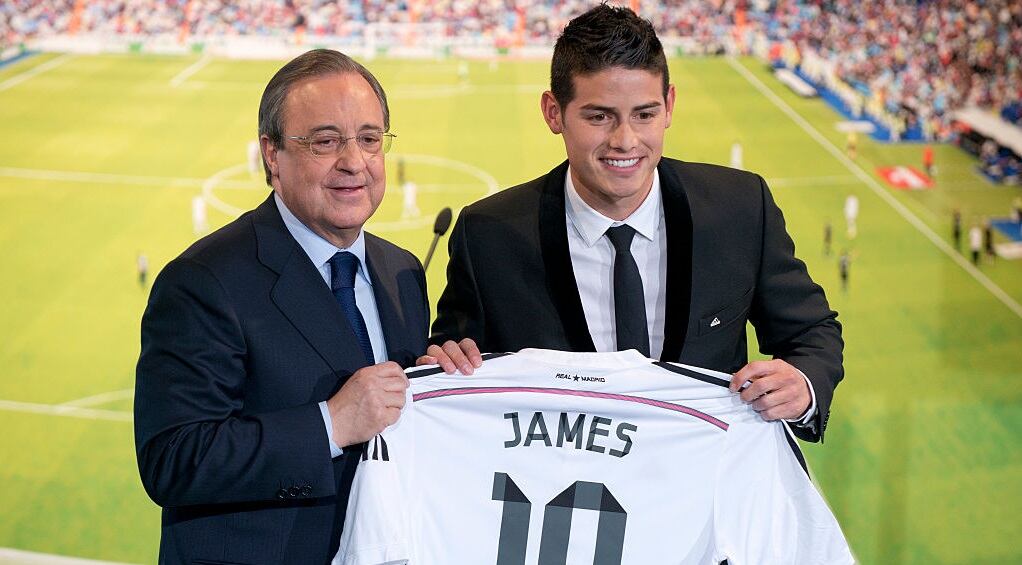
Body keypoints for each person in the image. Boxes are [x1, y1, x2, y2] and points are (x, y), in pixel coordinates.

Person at [426, 5, 842, 443]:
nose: (625, 140)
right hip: (565, 499)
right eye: (599, 116)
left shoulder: (740, 209)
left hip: (702, 497)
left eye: (644, 114)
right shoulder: (488, 236)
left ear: (669, 106)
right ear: (553, 113)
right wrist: (446, 366)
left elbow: (812, 332)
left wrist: (804, 385)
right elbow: (456, 371)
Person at [135, 49, 434, 564]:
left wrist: (445, 380)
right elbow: (174, 459)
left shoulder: (403, 271)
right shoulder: (203, 281)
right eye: (325, 140)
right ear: (271, 155)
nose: (354, 161)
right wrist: (330, 424)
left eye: (369, 139)